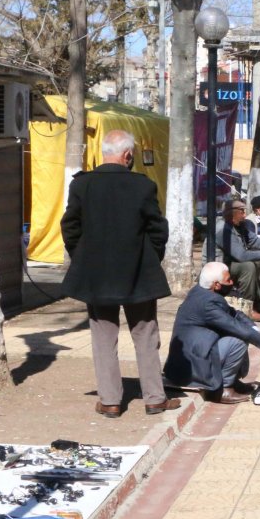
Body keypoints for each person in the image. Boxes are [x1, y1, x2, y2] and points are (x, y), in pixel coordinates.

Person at [60, 130, 180, 418]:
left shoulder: (83, 185)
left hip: (97, 275)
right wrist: (151, 258)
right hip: (138, 272)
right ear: (128, 155)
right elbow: (157, 230)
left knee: (103, 337)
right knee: (145, 334)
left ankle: (111, 400)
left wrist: (83, 257)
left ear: (105, 152)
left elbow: (70, 227)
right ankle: (154, 398)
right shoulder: (142, 186)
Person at [163, 262, 260, 404]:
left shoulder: (202, 293)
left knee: (242, 333)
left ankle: (232, 381)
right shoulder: (208, 303)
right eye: (228, 280)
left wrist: (256, 330)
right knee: (238, 340)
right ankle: (224, 389)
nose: (232, 282)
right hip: (192, 365)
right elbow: (234, 326)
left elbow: (235, 314)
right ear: (216, 285)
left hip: (195, 354)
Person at [212, 198, 260, 321]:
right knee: (248, 267)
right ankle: (246, 310)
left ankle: (257, 303)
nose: (245, 215)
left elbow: (255, 241)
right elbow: (241, 256)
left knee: (259, 261)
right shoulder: (223, 230)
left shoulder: (239, 225)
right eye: (242, 212)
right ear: (231, 213)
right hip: (218, 266)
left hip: (231, 262)